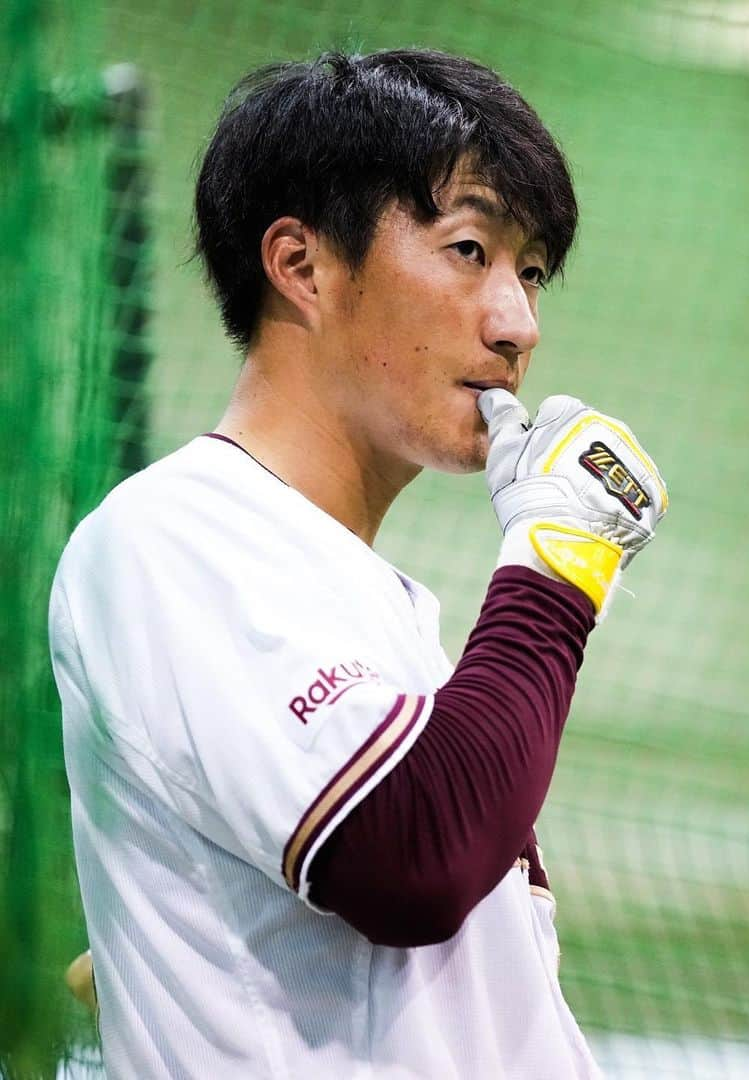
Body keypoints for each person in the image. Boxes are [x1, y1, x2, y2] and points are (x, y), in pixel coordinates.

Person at [49, 49, 667, 1078]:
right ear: (300, 265)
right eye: (471, 250)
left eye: (531, 271)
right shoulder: (176, 537)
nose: (520, 324)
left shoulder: (368, 605)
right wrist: (560, 569)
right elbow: (412, 857)